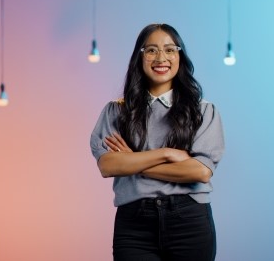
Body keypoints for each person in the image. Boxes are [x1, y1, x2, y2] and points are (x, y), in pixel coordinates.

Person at [90, 23, 225, 261]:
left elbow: (200, 172)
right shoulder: (116, 111)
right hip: (134, 226)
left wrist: (132, 160)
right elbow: (108, 166)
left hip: (189, 221)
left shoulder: (203, 111)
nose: (161, 58)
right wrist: (167, 153)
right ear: (139, 57)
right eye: (151, 50)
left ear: (180, 56)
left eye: (170, 50)